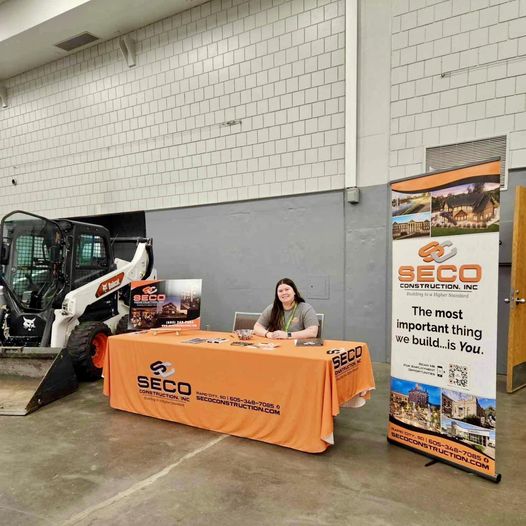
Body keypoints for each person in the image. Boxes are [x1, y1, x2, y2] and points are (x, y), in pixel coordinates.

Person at [253, 278, 319, 339]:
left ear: (294, 292)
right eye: (280, 291)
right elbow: (257, 327)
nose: (284, 293)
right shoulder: (272, 308)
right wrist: (269, 334)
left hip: (296, 346)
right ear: (277, 295)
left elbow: (313, 332)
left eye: (287, 289)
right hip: (276, 345)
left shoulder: (306, 308)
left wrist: (288, 335)